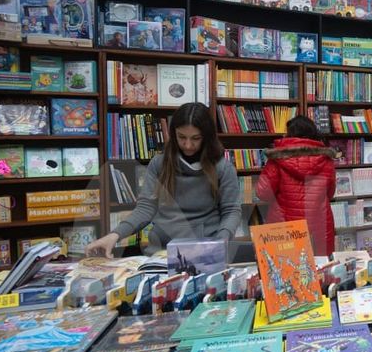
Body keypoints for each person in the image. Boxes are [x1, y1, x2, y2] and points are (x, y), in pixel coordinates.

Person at [85, 102, 241, 257]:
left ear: (207, 137)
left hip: (206, 249)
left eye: (196, 138)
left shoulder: (223, 167)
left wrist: (222, 240)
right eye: (181, 137)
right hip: (162, 251)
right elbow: (146, 208)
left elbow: (231, 210)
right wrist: (114, 235)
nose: (188, 145)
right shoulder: (159, 164)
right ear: (173, 134)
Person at [256, 115, 338, 256]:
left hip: (284, 226)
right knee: (319, 266)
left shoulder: (277, 159)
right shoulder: (326, 159)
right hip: (319, 225)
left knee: (285, 265)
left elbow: (262, 193)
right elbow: (330, 193)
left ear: (290, 133)